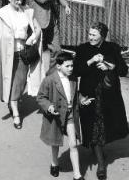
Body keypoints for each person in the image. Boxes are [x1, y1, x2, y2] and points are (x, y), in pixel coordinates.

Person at [74, 21, 129, 180]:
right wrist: (90, 61)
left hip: (108, 95)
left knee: (103, 127)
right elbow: (76, 71)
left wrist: (109, 65)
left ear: (102, 36)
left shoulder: (112, 48)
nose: (89, 37)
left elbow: (124, 71)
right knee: (95, 126)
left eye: (93, 35)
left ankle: (98, 149)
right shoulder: (83, 49)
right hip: (90, 94)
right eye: (89, 34)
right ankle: (101, 165)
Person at [0, 0, 42, 129]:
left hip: (23, 52)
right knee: (8, 80)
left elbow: (38, 29)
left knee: (20, 82)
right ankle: (15, 111)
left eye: (21, 0)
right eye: (16, 0)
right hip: (6, 54)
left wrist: (32, 37)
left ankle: (13, 100)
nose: (19, 2)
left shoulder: (27, 11)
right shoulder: (0, 14)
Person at [37, 51, 87, 179]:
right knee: (55, 142)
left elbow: (75, 94)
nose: (71, 69)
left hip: (70, 114)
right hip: (56, 116)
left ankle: (77, 174)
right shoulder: (49, 80)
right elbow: (41, 97)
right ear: (59, 66)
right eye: (67, 66)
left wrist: (81, 99)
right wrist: (49, 106)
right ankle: (54, 163)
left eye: (72, 66)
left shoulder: (74, 78)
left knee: (73, 144)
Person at [27, 0, 71, 70]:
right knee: (37, 51)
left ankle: (51, 74)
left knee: (57, 50)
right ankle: (35, 75)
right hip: (38, 21)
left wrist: (66, 6)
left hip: (52, 21)